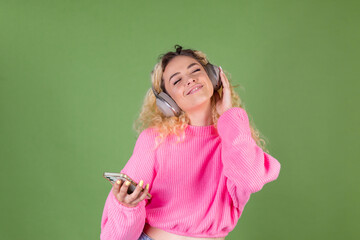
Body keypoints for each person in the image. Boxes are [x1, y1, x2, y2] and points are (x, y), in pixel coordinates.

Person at [100, 45, 281, 240]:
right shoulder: (155, 140)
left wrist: (229, 114)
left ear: (213, 77)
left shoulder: (235, 139)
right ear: (168, 102)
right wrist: (126, 205)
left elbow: (251, 180)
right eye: (177, 80)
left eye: (195, 70)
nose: (190, 79)